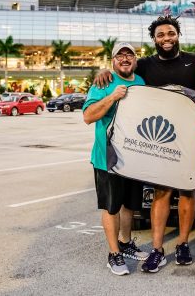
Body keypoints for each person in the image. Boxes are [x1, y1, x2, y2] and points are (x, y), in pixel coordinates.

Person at [93, 15, 195, 273]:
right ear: (154, 39)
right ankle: (158, 250)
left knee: (187, 192)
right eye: (160, 35)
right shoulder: (145, 66)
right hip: (158, 141)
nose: (166, 39)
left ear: (178, 35)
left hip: (191, 140)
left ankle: (183, 243)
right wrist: (104, 70)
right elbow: (122, 70)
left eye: (170, 34)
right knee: (161, 192)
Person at [82, 42, 148, 275]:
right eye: (119, 56)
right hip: (107, 158)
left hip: (133, 157)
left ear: (135, 60)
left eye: (129, 54)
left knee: (129, 206)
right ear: (112, 61)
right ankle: (114, 254)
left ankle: (126, 243)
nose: (125, 59)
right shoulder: (104, 82)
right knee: (112, 207)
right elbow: (88, 116)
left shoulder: (140, 81)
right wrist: (112, 97)